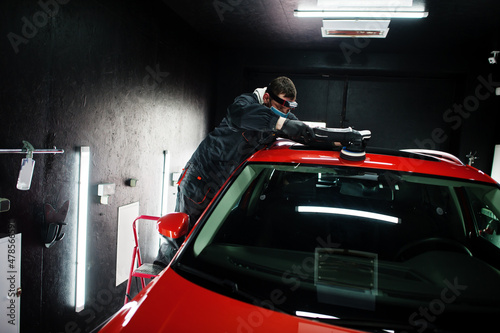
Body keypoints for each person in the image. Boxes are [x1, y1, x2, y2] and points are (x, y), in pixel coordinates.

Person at [154, 76, 315, 267]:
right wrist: (282, 124)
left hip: (226, 184)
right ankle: (163, 270)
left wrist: (340, 140)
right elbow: (239, 115)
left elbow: (304, 133)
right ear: (265, 98)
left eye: (289, 108)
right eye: (281, 107)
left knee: (204, 237)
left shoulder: (282, 115)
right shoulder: (244, 104)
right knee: (182, 231)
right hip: (201, 178)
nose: (284, 113)